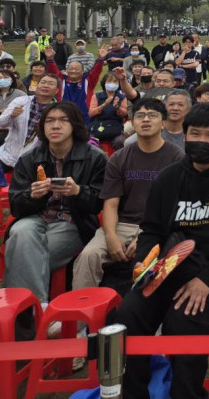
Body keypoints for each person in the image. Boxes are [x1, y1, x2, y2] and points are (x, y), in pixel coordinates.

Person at [111, 103, 209, 397]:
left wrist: (207, 279)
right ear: (184, 133)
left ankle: (188, 394)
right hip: (167, 268)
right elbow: (152, 230)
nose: (202, 142)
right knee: (129, 316)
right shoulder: (169, 177)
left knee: (182, 322)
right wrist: (145, 264)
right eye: (195, 134)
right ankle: (134, 393)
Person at [4, 103, 107, 338]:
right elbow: (16, 206)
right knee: (20, 232)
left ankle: (24, 323)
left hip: (72, 222)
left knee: (21, 253)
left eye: (63, 120)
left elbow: (100, 203)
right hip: (35, 217)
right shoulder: (30, 159)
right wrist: (34, 195)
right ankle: (40, 309)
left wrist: (78, 191)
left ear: (74, 125)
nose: (55, 125)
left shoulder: (95, 158)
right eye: (50, 120)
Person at [73, 98, 184, 290]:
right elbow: (111, 204)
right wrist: (110, 236)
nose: (146, 120)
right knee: (89, 256)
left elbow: (174, 208)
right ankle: (84, 317)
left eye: (152, 115)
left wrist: (146, 237)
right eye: (140, 116)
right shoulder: (119, 157)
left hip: (159, 226)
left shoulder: (177, 158)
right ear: (132, 122)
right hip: (122, 225)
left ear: (164, 123)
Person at [0, 72, 61, 172]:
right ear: (36, 86)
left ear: (57, 90)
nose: (46, 86)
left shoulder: (59, 110)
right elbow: (1, 122)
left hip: (34, 160)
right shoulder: (20, 101)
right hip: (7, 155)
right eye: (43, 82)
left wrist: (42, 130)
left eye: (51, 84)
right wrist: (11, 115)